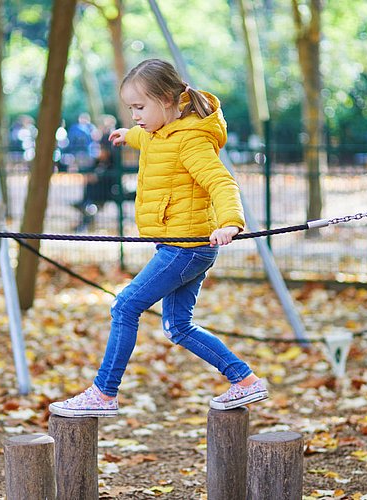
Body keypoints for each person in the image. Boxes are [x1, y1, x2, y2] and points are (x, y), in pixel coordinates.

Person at [49, 59, 267, 418]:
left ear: (167, 100)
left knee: (125, 306)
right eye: (130, 109)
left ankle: (103, 392)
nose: (135, 115)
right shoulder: (158, 131)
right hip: (184, 247)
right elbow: (151, 140)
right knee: (177, 327)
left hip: (186, 247)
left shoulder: (191, 140)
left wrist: (230, 222)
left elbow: (221, 182)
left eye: (139, 107)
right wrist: (127, 134)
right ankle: (245, 380)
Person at [72, 114, 125, 232]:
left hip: (108, 186)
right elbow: (97, 162)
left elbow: (107, 162)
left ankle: (87, 207)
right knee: (90, 185)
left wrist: (97, 176)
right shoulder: (102, 142)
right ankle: (86, 206)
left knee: (93, 189)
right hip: (100, 184)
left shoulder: (111, 142)